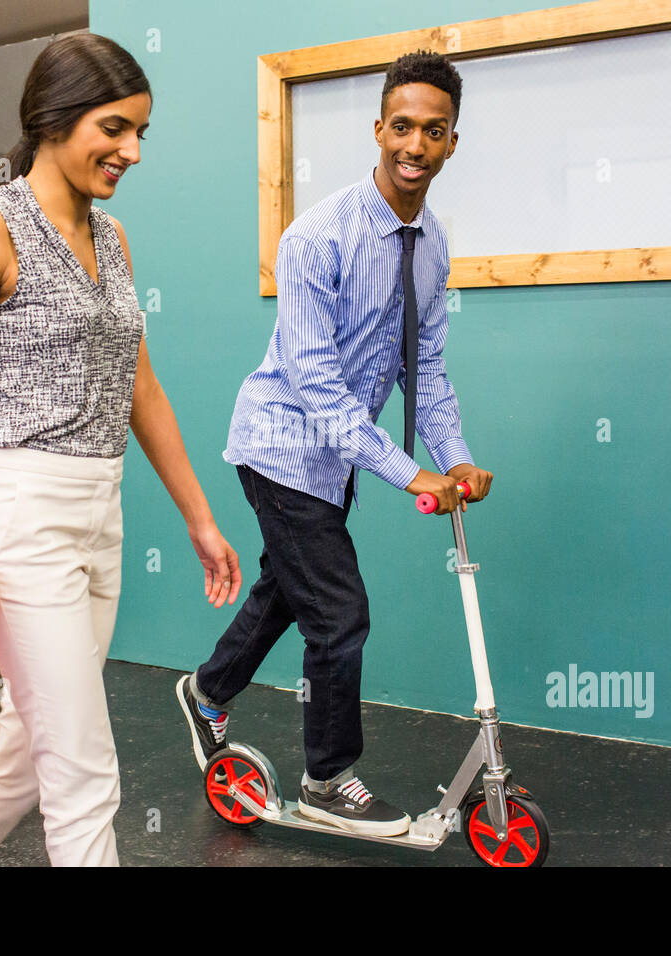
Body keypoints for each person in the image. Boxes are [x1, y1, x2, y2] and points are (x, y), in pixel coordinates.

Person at [0, 33, 242, 867]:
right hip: (16, 515)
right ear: (53, 120)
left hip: (96, 514)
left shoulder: (113, 240)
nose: (132, 151)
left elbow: (141, 390)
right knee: (81, 773)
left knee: (22, 755)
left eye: (141, 132)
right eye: (114, 128)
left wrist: (200, 518)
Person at [177, 50, 492, 837]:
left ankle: (207, 690)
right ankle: (327, 776)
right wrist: (406, 469)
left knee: (291, 589)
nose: (414, 145)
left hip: (335, 458)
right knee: (340, 616)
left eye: (434, 131)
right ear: (377, 129)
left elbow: (429, 368)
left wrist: (454, 456)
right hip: (282, 443)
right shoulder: (317, 237)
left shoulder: (434, 245)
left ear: (454, 142)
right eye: (401, 126)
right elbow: (316, 388)